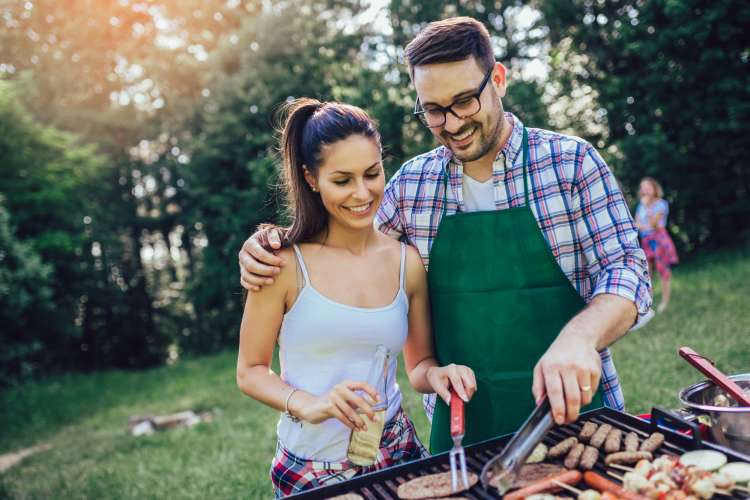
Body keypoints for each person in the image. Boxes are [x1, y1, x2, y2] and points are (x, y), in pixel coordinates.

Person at [237, 17, 652, 454]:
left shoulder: (571, 164)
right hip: (464, 433)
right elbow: (344, 244)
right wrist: (274, 242)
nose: (452, 123)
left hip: (579, 420)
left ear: (498, 79)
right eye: (434, 109)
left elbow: (627, 271)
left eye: (464, 101)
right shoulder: (412, 186)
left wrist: (580, 338)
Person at [235, 98, 476, 497]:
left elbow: (419, 367)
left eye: (372, 173)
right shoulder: (281, 264)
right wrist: (307, 402)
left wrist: (439, 374)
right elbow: (249, 370)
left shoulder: (406, 262)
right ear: (312, 179)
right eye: (342, 180)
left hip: (398, 452)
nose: (362, 193)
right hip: (313, 465)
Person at [635, 177, 678, 313]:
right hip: (646, 240)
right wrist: (645, 225)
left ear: (654, 188)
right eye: (643, 187)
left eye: (648, 186)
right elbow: (636, 224)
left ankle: (664, 302)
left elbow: (654, 224)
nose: (645, 189)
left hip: (659, 240)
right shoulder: (640, 205)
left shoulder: (661, 204)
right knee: (647, 272)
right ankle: (648, 303)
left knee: (663, 270)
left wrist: (647, 211)